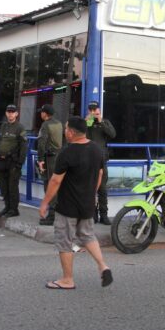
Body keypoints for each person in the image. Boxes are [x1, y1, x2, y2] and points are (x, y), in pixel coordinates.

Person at [39, 116, 113, 290]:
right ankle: (103, 266)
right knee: (87, 236)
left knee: (65, 241)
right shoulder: (97, 150)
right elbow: (101, 175)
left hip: (68, 206)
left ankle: (67, 279)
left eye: (66, 129)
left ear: (71, 132)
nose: (65, 132)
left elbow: (56, 181)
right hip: (87, 203)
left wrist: (45, 203)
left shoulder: (67, 152)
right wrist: (91, 193)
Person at [0, 104, 27, 218]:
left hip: (13, 162)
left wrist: (19, 163)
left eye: (13, 112)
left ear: (16, 114)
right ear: (6, 113)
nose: (10, 114)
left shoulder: (20, 128)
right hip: (1, 162)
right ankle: (7, 207)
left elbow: (23, 147)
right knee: (3, 185)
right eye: (9, 112)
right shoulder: (3, 126)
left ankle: (13, 209)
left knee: (12, 186)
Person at [85, 100, 116, 225]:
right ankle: (93, 214)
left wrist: (101, 121)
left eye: (95, 110)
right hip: (88, 160)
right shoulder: (87, 122)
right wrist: (88, 122)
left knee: (102, 189)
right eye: (91, 110)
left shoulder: (105, 122)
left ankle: (104, 215)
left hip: (101, 161)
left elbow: (112, 134)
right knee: (90, 189)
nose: (93, 112)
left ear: (99, 110)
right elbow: (82, 136)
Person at [37, 103, 64, 226]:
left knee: (49, 185)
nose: (40, 114)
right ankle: (58, 212)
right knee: (58, 185)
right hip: (59, 157)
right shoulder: (59, 124)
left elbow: (41, 144)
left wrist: (40, 160)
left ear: (45, 113)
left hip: (50, 159)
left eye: (41, 112)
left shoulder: (45, 125)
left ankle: (51, 216)